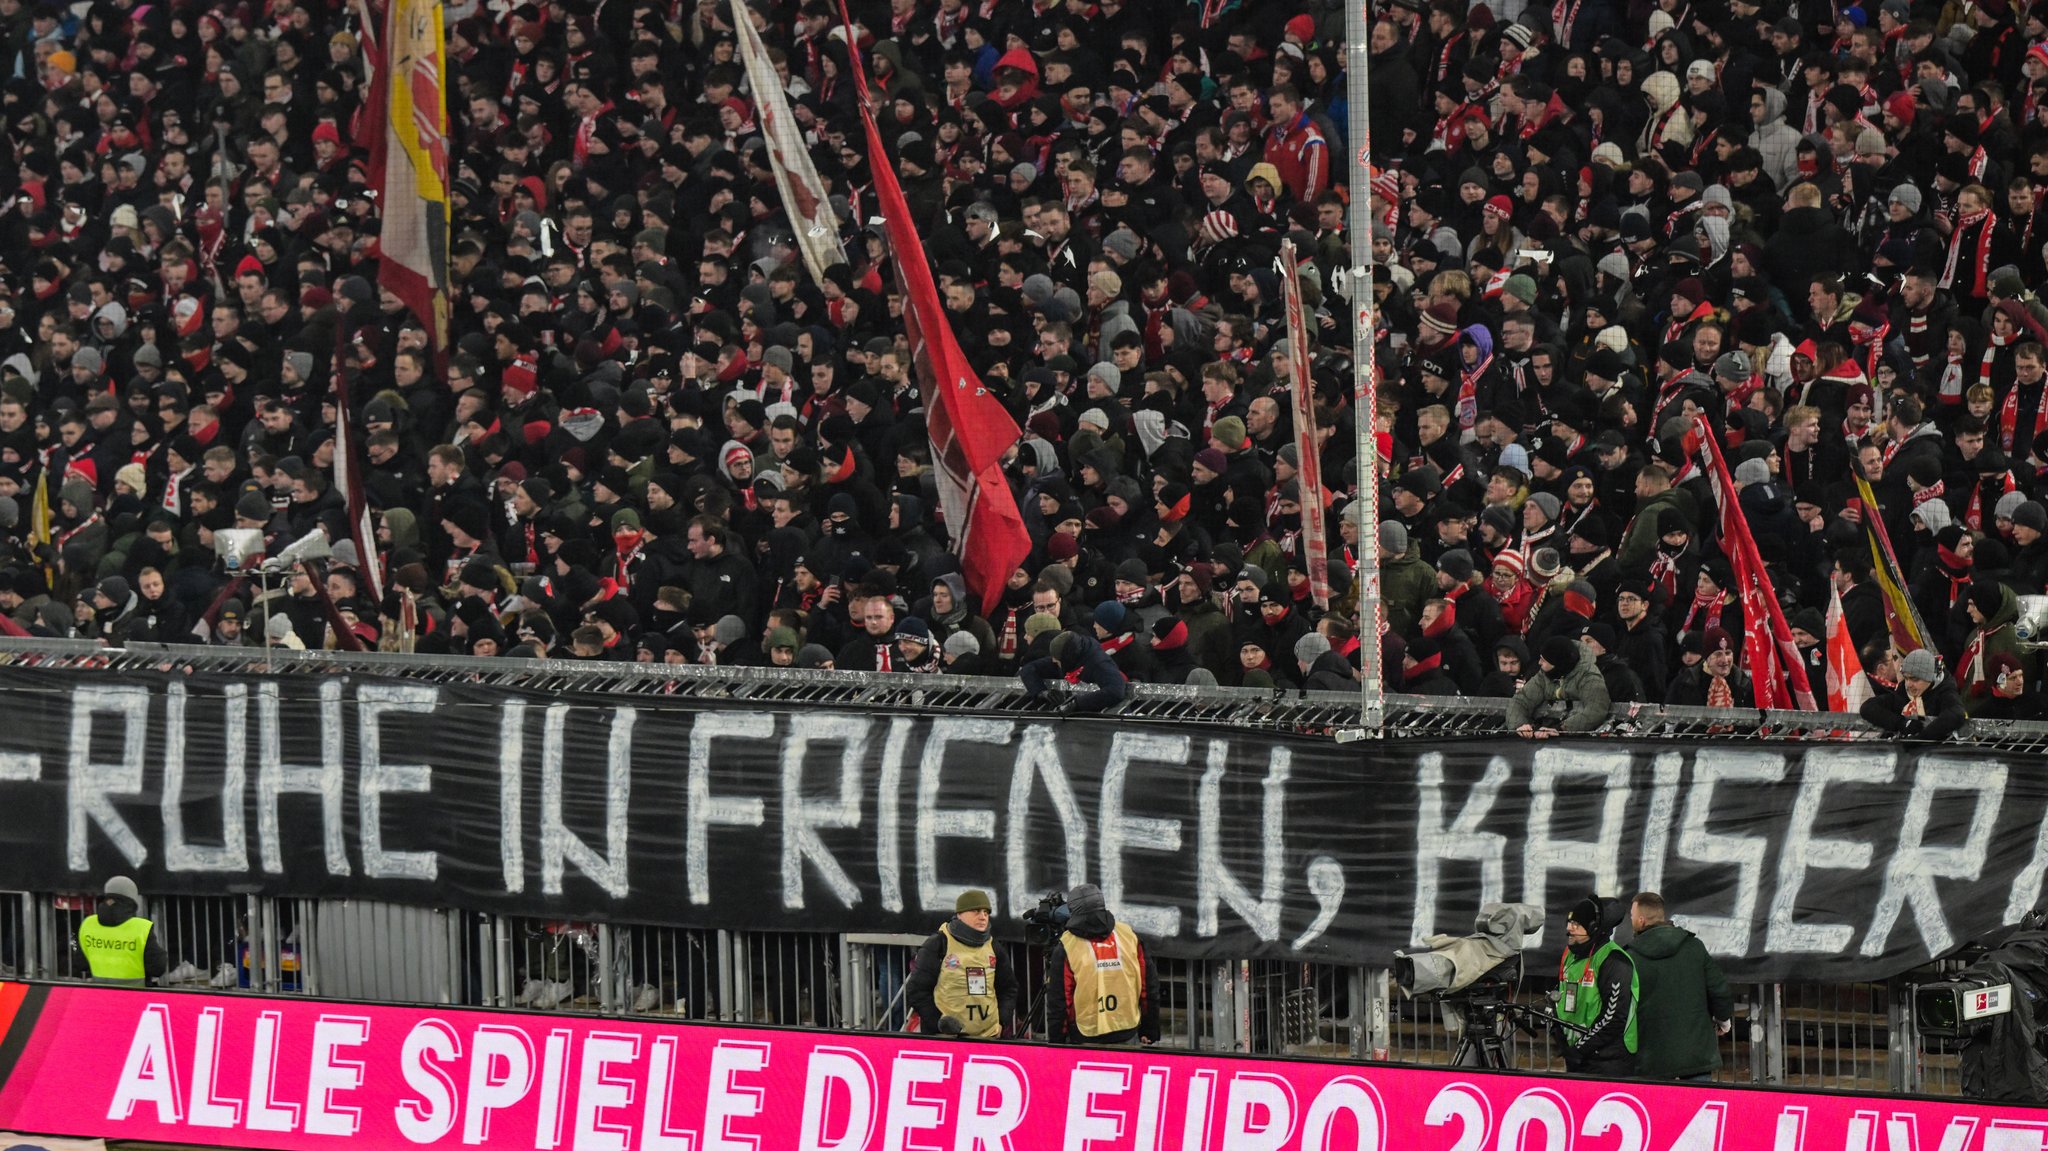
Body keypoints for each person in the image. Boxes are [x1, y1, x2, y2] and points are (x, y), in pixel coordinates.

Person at [1628, 892, 1734, 1081]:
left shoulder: (1630, 957)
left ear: (1642, 921)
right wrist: (1724, 1020)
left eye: (1632, 916)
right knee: (1697, 1107)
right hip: (1696, 1054)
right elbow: (1719, 989)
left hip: (1651, 1058)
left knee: (1658, 1110)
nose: (1631, 919)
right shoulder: (1694, 947)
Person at [1047, 883, 1160, 1046]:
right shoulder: (1128, 935)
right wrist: (1150, 1029)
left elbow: (1060, 1001)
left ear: (1072, 912)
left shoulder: (1067, 945)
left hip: (1085, 1035)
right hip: (1127, 1030)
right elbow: (1148, 987)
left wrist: (1057, 1040)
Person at [902, 888, 1016, 1038]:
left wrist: (1001, 1021)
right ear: (960, 914)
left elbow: (1009, 988)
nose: (983, 917)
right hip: (945, 1040)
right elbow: (917, 990)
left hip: (989, 1037)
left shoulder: (994, 946)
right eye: (976, 911)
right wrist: (939, 1024)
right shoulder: (938, 944)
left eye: (986, 913)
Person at [1554, 894, 1637, 1076]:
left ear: (1594, 928)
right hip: (1579, 1056)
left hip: (1607, 1060)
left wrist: (1579, 1048)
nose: (1569, 929)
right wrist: (1560, 1035)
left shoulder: (1615, 961)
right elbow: (1559, 994)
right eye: (1569, 922)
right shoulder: (1570, 954)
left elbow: (1613, 1017)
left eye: (1576, 924)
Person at [1505, 636, 1612, 737]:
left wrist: (1562, 729)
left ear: (1558, 665)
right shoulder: (1544, 675)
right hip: (1546, 730)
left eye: (1544, 660)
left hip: (1580, 739)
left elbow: (1596, 709)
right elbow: (1520, 701)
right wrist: (1519, 725)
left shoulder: (1588, 676)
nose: (1539, 663)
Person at [74, 876, 167, 986]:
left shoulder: (88, 924)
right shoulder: (141, 927)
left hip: (100, 993)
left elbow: (81, 964)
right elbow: (158, 968)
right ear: (132, 898)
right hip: (136, 994)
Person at [1859, 649, 1969, 741]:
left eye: (1915, 679)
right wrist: (1901, 724)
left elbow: (1956, 714)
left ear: (1930, 678)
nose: (1909, 685)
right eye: (1906, 678)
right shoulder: (1904, 690)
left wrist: (1921, 738)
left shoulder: (1945, 691)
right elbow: (1868, 708)